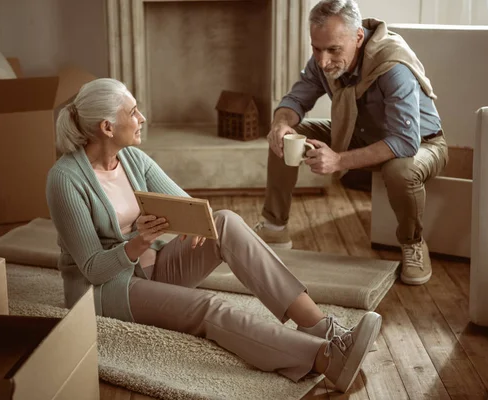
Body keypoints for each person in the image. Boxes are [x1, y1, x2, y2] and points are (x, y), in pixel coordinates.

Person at [46, 77, 381, 392]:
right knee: (210, 306)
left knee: (224, 221)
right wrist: (139, 242)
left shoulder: (132, 158)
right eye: (133, 112)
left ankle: (320, 326)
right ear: (107, 127)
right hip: (106, 291)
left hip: (153, 268)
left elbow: (191, 210)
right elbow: (92, 269)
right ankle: (325, 358)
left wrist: (196, 226)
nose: (142, 117)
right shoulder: (65, 179)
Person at [254, 0, 448, 286]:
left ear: (358, 37)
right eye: (316, 48)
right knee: (289, 136)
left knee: (400, 170)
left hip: (423, 143)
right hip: (362, 134)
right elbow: (296, 99)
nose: (322, 60)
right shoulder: (325, 59)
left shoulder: (392, 66)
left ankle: (413, 244)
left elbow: (404, 142)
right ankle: (274, 226)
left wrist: (339, 160)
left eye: (333, 49)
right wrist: (281, 123)